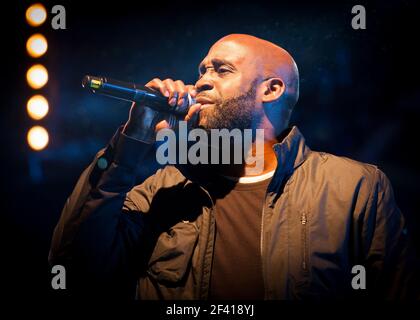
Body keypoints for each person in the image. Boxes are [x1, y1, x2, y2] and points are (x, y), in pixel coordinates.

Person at [49, 34, 416, 300]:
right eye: (202, 70)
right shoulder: (163, 188)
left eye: (221, 70)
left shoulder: (352, 188)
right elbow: (76, 264)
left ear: (271, 90)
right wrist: (134, 138)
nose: (201, 81)